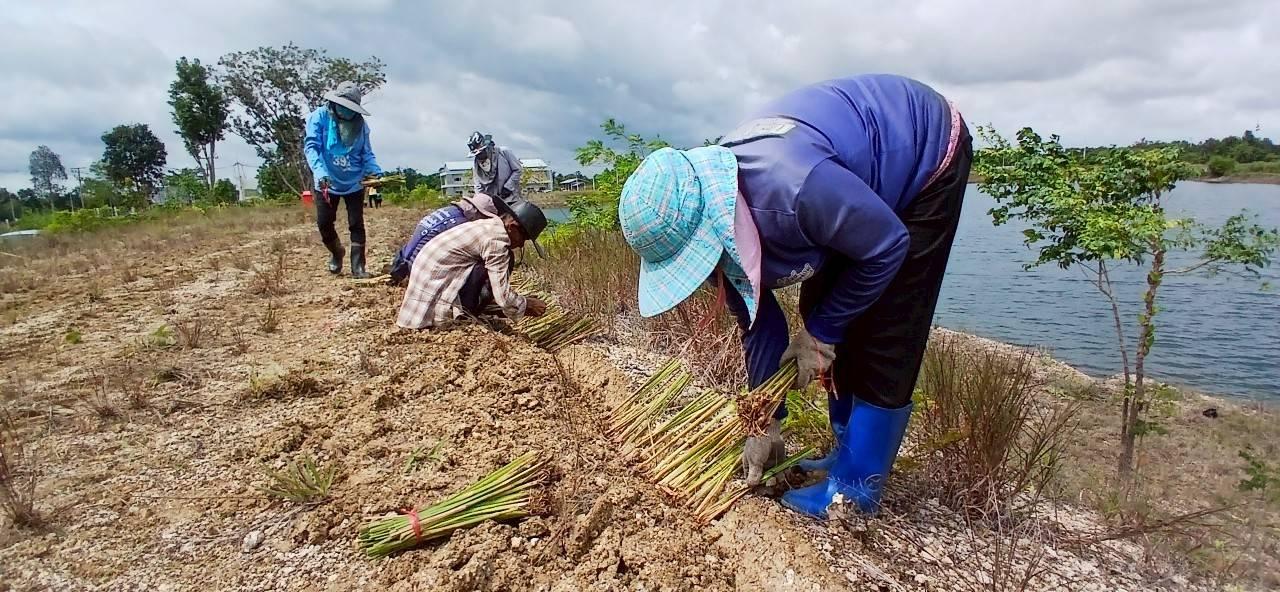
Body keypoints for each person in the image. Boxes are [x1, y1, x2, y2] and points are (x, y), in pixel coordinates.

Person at [616, 74, 972, 519]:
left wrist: (821, 335)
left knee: (884, 327)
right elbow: (757, 321)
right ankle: (843, 451)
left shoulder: (795, 187)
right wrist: (765, 415)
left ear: (712, 221)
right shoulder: (712, 225)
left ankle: (856, 487)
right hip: (849, 182)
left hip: (925, 151)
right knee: (824, 303)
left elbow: (886, 247)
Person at [396, 198, 550, 329]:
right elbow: (502, 295)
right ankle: (465, 317)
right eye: (523, 239)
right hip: (430, 308)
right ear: (512, 227)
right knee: (499, 263)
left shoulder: (487, 226)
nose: (521, 245)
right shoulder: (497, 241)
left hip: (419, 298)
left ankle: (470, 310)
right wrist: (526, 304)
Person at [304, 81, 383, 279]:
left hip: (354, 181)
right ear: (335, 103)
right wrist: (320, 172)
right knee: (324, 223)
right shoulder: (319, 118)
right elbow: (311, 147)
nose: (347, 112)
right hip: (326, 181)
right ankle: (336, 252)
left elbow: (366, 153)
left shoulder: (360, 125)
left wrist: (374, 171)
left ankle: (358, 267)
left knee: (356, 223)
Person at [387, 193, 506, 286]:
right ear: (479, 213)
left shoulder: (448, 211)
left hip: (405, 261)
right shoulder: (461, 225)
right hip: (422, 272)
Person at [468, 132, 523, 201]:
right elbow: (478, 186)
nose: (479, 156)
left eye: (480, 153)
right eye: (477, 155)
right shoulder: (476, 166)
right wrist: (481, 200)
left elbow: (517, 170)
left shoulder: (504, 152)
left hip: (512, 198)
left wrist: (508, 187)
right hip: (492, 202)